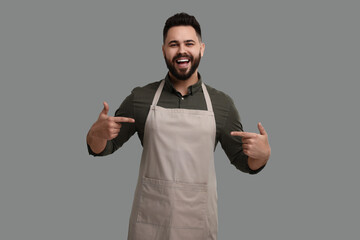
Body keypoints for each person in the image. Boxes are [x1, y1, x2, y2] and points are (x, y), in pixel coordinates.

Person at [86, 12, 271, 240]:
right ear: (163, 50)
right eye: (174, 44)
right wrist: (96, 134)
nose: (181, 50)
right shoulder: (140, 98)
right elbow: (103, 148)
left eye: (189, 43)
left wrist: (263, 155)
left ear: (202, 48)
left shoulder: (222, 104)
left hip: (198, 223)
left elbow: (244, 163)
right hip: (150, 224)